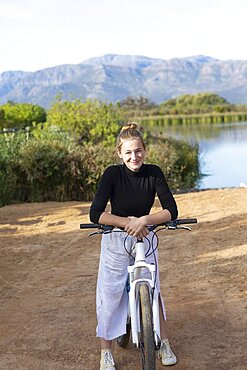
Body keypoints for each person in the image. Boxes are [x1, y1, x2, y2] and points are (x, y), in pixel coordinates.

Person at [90, 122, 178, 369]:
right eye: (128, 152)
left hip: (146, 236)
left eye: (138, 151)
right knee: (109, 294)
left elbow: (171, 210)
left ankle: (164, 342)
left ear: (145, 150)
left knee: (154, 291)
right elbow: (96, 213)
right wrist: (127, 222)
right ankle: (105, 352)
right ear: (120, 153)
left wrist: (144, 220)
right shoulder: (112, 174)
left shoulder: (154, 173)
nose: (134, 156)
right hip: (116, 239)